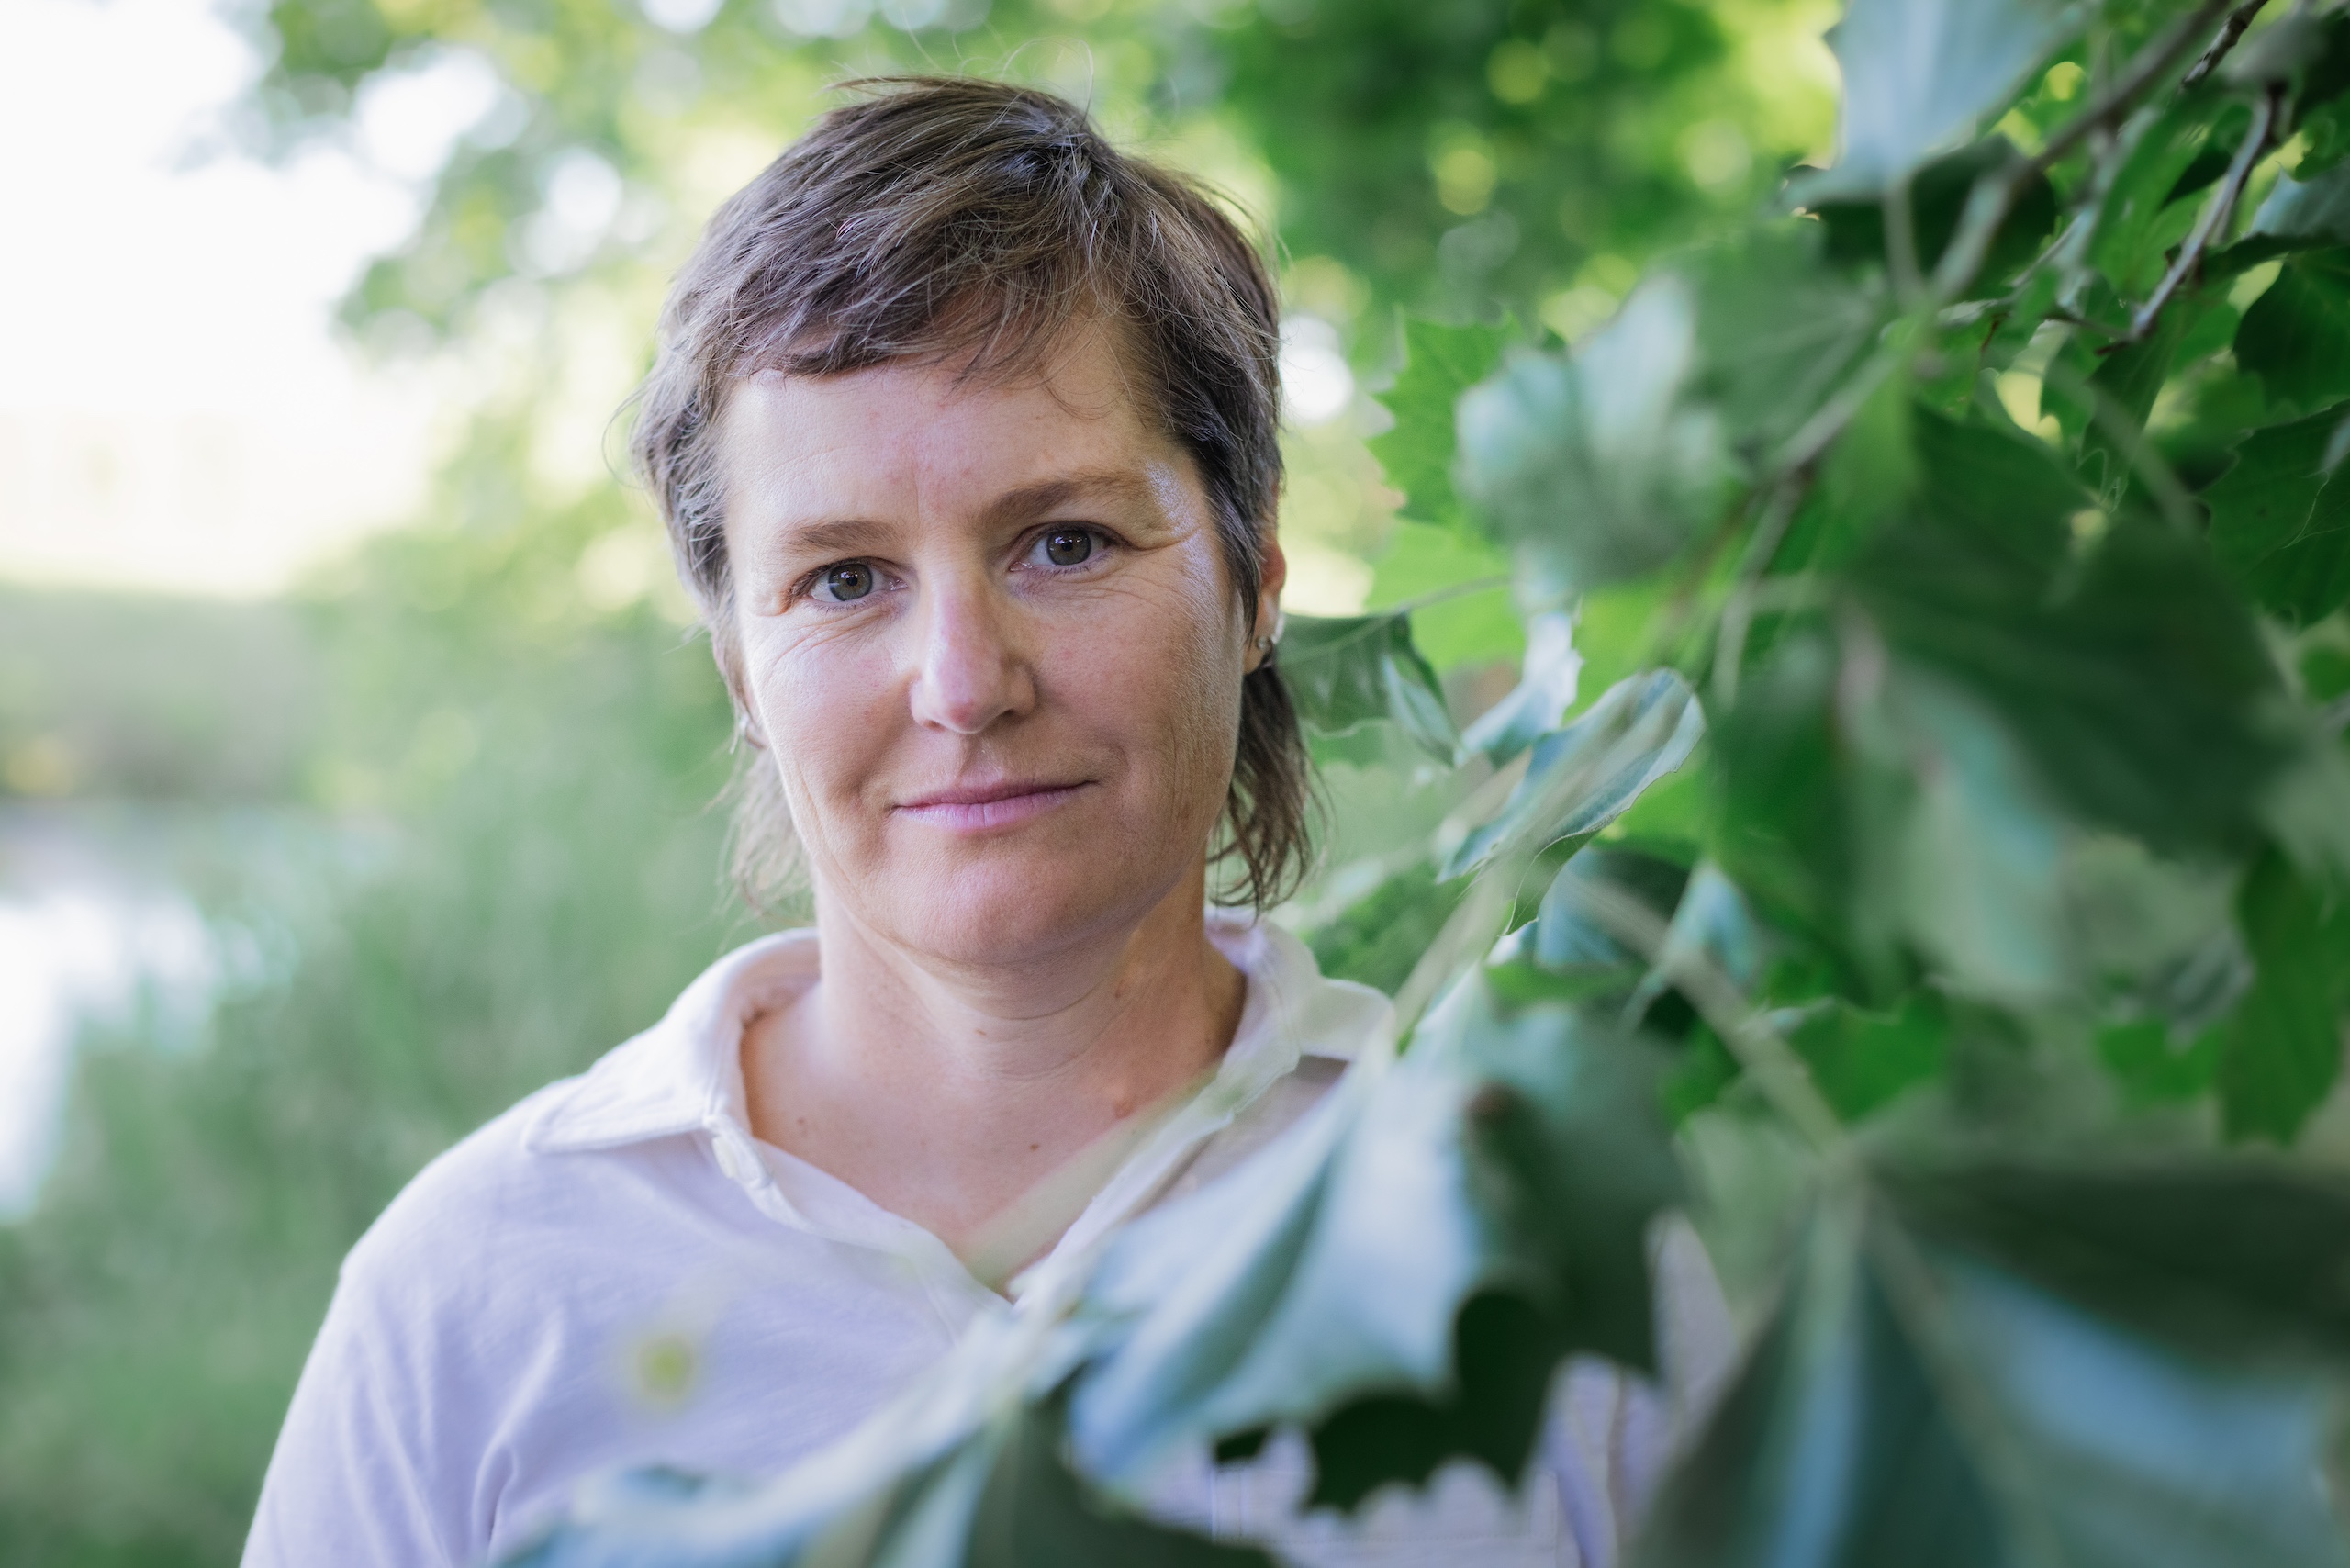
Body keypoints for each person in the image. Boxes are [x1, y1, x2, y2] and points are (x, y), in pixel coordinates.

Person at [242, 76, 1727, 1568]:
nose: (963, 683)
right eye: (843, 577)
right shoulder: (482, 1288)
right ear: (742, 668)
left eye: (1064, 543)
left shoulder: (1541, 1246)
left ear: (1255, 584)